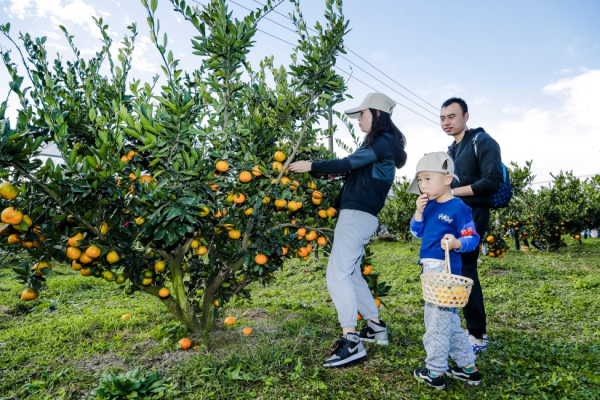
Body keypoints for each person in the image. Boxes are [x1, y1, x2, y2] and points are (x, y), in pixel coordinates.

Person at [289, 92, 407, 367]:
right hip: (361, 214)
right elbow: (353, 171)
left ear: (377, 114)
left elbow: (348, 163)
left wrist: (311, 166)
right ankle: (375, 327)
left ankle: (351, 341)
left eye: (362, 114)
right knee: (352, 273)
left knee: (337, 274)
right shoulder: (385, 145)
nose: (358, 120)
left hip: (357, 214)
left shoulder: (381, 143)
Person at [407, 152, 482, 389]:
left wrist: (456, 243)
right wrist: (418, 213)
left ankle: (435, 371)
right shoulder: (428, 206)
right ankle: (468, 367)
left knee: (436, 323)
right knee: (448, 321)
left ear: (448, 179)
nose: (422, 184)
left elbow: (473, 238)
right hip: (429, 270)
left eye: (428, 178)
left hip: (445, 271)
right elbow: (416, 232)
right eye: (419, 180)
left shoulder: (458, 208)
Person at [440, 97, 503, 353]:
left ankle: (477, 334)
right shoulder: (451, 150)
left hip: (474, 214)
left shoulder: (482, 141)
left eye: (452, 116)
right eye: (443, 118)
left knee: (466, 269)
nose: (446, 122)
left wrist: (455, 192)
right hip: (457, 215)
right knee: (456, 269)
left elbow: (493, 180)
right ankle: (470, 328)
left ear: (466, 117)